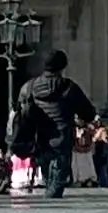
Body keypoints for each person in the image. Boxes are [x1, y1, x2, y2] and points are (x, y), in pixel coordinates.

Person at [15, 51, 93, 200]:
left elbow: (20, 110)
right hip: (62, 137)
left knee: (48, 174)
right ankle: (51, 203)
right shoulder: (69, 87)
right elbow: (87, 111)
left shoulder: (29, 86)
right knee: (57, 178)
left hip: (40, 136)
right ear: (63, 66)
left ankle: (49, 201)